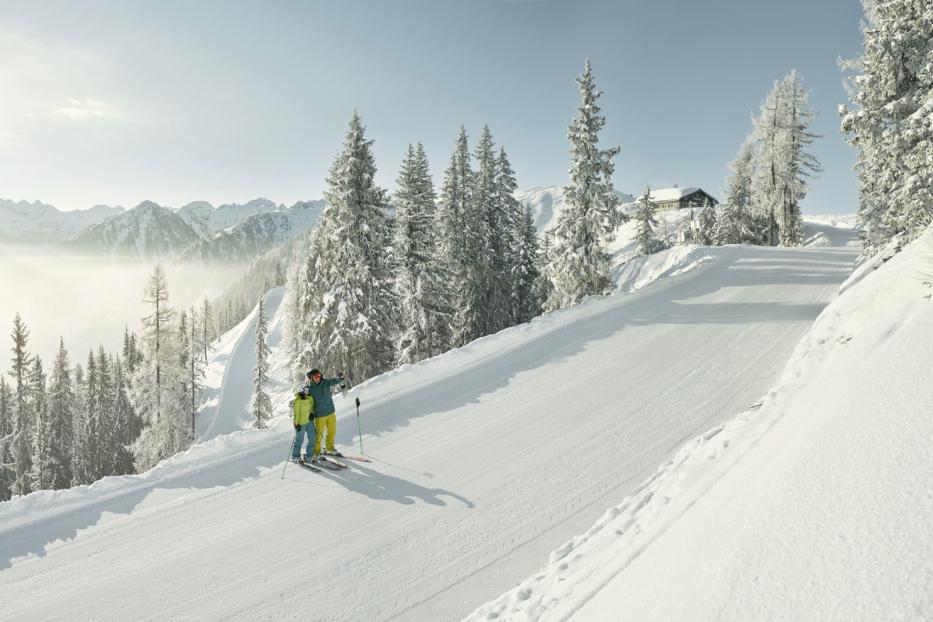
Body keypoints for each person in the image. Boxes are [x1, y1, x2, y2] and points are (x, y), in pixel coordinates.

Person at [305, 368, 344, 460]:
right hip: (319, 415)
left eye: (319, 375)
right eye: (316, 376)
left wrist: (341, 378)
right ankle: (316, 452)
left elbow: (334, 381)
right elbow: (305, 400)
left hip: (330, 412)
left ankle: (330, 448)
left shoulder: (325, 383)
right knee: (318, 435)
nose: (318, 378)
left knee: (331, 432)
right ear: (311, 378)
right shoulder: (310, 389)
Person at [291, 385, 315, 462]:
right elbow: (296, 414)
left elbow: (312, 408)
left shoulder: (311, 398)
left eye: (308, 390)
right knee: (299, 439)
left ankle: (309, 455)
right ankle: (295, 456)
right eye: (306, 390)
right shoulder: (297, 401)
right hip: (301, 423)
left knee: (312, 438)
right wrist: (296, 424)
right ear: (302, 390)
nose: (307, 391)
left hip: (310, 422)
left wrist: (312, 413)